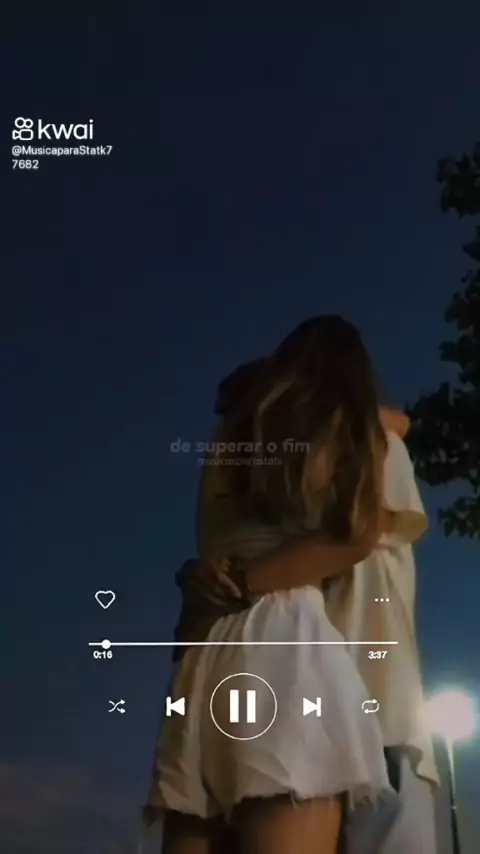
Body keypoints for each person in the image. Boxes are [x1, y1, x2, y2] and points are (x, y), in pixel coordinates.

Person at [144, 316, 400, 854]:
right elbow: (354, 536)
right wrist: (250, 581)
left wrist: (212, 583)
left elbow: (208, 545)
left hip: (209, 652)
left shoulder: (234, 433)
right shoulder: (346, 426)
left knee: (193, 827)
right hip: (287, 649)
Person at [172, 374, 440, 852]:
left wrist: (231, 582)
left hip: (375, 706)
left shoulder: (364, 446)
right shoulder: (276, 483)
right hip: (306, 698)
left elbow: (354, 533)